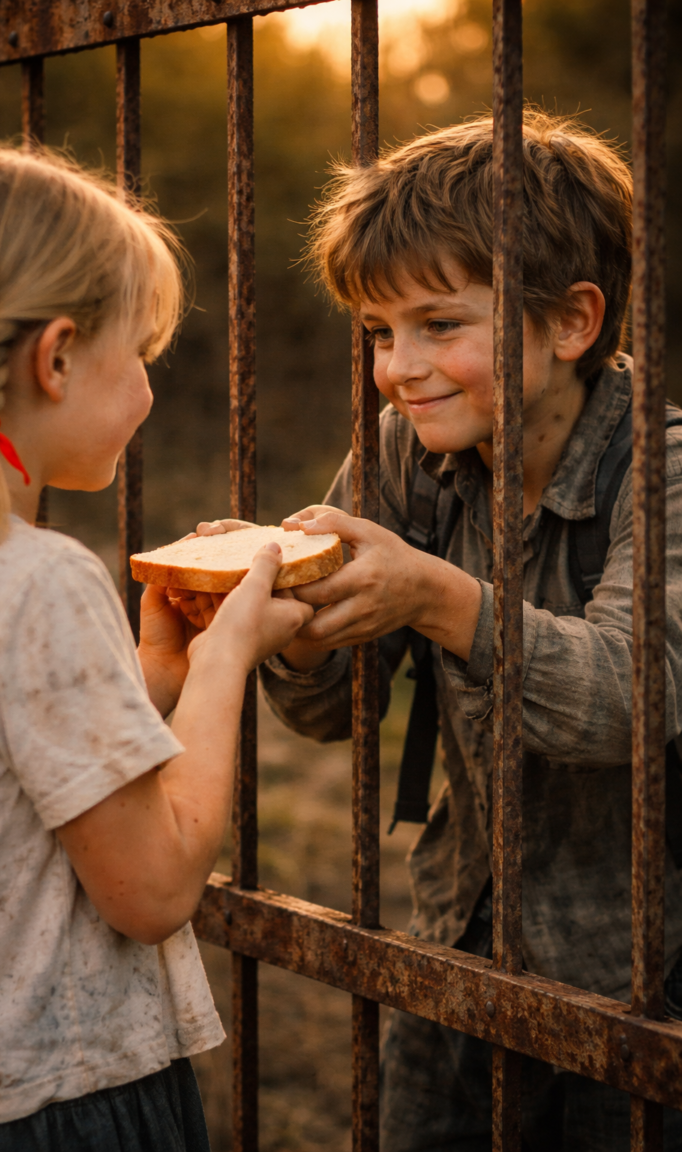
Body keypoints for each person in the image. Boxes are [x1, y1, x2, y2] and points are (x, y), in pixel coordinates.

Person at [193, 111, 682, 1149]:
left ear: (574, 320)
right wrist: (300, 618)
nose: (397, 370)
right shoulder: (407, 450)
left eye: (439, 326)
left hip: (651, 974)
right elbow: (332, 717)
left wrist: (434, 597)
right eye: (377, 333)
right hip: (456, 937)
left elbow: (628, 701)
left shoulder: (665, 469)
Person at [0, 144, 313, 1151]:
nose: (144, 388)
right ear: (54, 358)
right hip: (57, 1112)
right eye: (137, 352)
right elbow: (154, 886)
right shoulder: (39, 579)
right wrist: (229, 657)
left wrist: (156, 678)